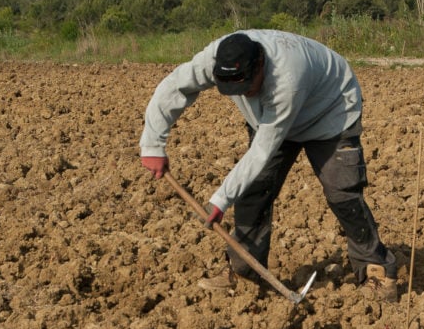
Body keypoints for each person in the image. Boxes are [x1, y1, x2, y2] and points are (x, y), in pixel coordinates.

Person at [140, 30, 398, 301]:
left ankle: (377, 269)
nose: (245, 95)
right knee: (254, 191)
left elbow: (263, 148)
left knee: (342, 192)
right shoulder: (216, 58)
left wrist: (220, 200)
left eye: (248, 87)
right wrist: (152, 144)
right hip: (270, 119)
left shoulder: (287, 78)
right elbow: (174, 86)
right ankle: (244, 274)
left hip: (330, 112)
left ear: (260, 65)